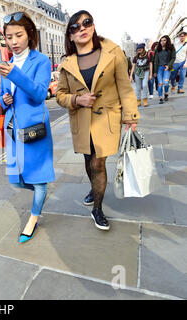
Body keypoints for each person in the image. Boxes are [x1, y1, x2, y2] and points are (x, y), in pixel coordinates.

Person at [56, 10, 139, 231]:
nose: (81, 28)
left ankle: (98, 209)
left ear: (93, 26)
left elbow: (125, 87)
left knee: (98, 163)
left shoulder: (112, 52)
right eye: (75, 27)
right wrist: (77, 99)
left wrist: (130, 116)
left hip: (106, 119)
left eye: (86, 23)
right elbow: (60, 95)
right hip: (82, 122)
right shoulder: (67, 63)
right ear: (71, 36)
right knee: (87, 160)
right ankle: (94, 188)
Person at [0, 11, 54, 243]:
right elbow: (2, 96)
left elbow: (40, 94)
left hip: (34, 129)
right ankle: (42, 192)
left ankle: (33, 217)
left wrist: (15, 75)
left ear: (30, 34)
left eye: (18, 35)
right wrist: (4, 100)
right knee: (16, 179)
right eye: (9, 37)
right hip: (13, 131)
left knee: (38, 179)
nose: (14, 42)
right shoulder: (6, 65)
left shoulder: (41, 61)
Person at [153, 35, 176, 104]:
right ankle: (160, 97)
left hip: (167, 68)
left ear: (167, 41)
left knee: (166, 83)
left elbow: (173, 58)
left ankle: (166, 93)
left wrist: (169, 66)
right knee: (160, 83)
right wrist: (155, 71)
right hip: (159, 68)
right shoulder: (157, 49)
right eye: (161, 40)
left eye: (164, 40)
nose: (162, 42)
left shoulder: (171, 48)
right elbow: (155, 61)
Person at [130, 43, 153, 107]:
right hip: (137, 72)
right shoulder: (136, 57)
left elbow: (151, 64)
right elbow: (133, 67)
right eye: (138, 50)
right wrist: (131, 76)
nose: (139, 50)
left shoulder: (148, 55)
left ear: (143, 49)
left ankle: (145, 99)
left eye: (140, 49)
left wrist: (151, 74)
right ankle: (138, 100)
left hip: (146, 71)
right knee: (138, 87)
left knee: (145, 85)